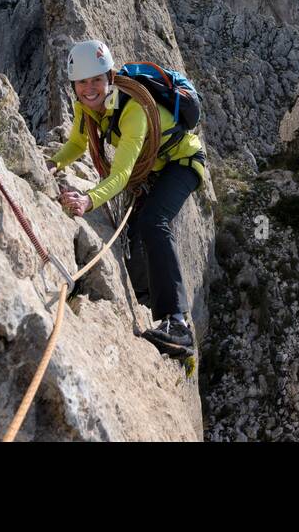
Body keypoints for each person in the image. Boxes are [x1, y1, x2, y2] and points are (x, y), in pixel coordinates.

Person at [48, 39, 206, 358]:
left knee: (154, 221)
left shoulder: (134, 109)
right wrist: (54, 163)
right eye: (82, 83)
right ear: (74, 86)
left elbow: (120, 176)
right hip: (154, 171)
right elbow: (78, 143)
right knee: (132, 237)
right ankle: (146, 299)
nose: (89, 89)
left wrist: (88, 200)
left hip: (182, 164)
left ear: (109, 78)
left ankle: (178, 324)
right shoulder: (86, 107)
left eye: (96, 80)